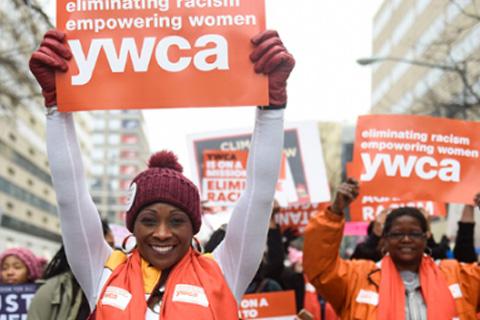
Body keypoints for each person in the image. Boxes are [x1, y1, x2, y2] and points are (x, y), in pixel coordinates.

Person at [29, 29, 294, 319]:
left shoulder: (223, 270)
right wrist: (56, 105)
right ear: (132, 225)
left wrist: (272, 109)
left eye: (177, 220)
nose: (162, 233)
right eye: (148, 220)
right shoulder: (104, 272)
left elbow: (259, 196)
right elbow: (71, 196)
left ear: (194, 227)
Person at [303, 178, 480, 319]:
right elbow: (321, 269)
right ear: (385, 239)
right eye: (397, 234)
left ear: (426, 238)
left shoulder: (456, 275)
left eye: (414, 234)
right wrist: (334, 212)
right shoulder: (357, 278)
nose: (406, 239)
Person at [28, 221, 115, 320]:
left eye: (113, 246)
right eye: (107, 246)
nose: (113, 253)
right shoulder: (51, 291)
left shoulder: (118, 287)